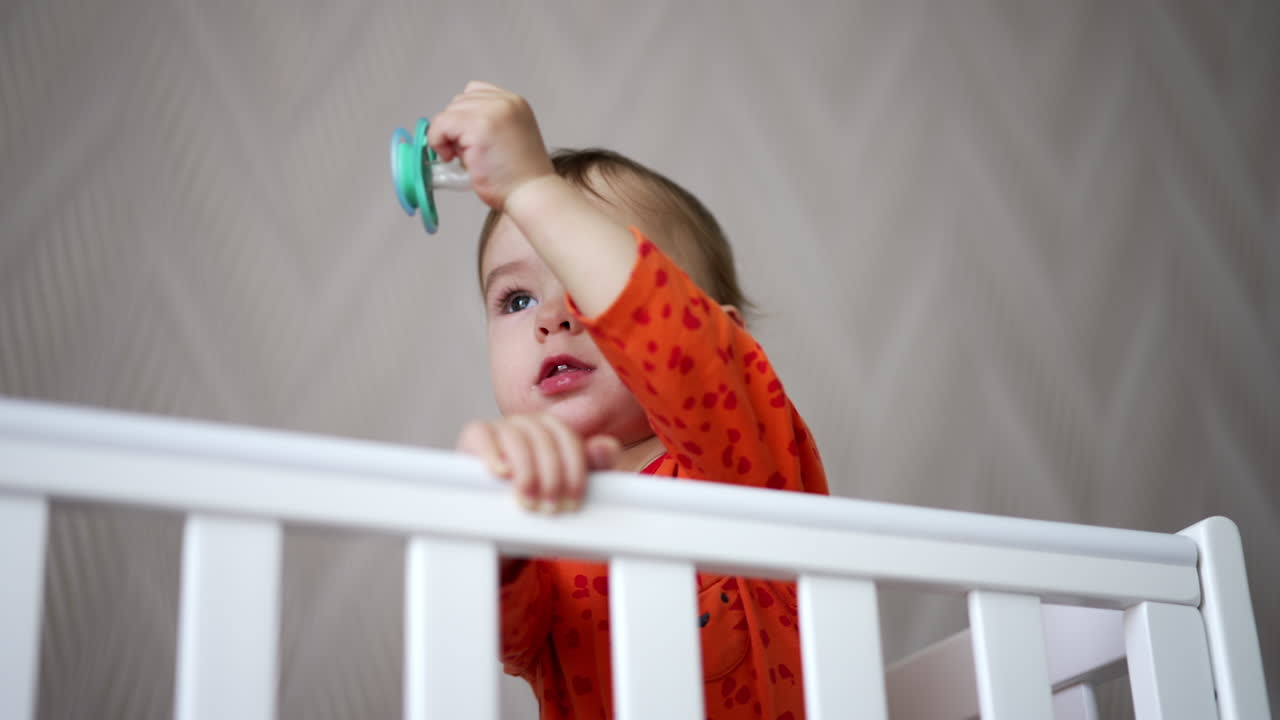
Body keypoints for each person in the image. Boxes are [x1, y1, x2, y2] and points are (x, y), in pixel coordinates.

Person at [431, 81, 828, 720]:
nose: (553, 320)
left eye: (586, 285)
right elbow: (492, 620)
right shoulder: (539, 523)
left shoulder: (741, 461)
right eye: (517, 300)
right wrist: (487, 508)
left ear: (724, 338)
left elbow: (682, 355)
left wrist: (532, 189)